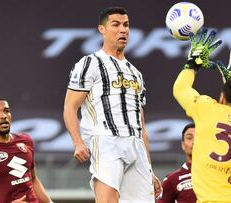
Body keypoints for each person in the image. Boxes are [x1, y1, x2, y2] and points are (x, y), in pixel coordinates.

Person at [63, 6, 162, 203]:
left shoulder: (136, 73)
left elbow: (141, 124)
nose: (122, 30)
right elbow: (69, 107)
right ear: (102, 29)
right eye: (115, 25)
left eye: (126, 25)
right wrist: (78, 142)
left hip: (136, 145)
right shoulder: (90, 63)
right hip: (107, 141)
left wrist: (149, 168)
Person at [172, 29, 231, 203]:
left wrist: (193, 63)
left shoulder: (207, 110)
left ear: (221, 98)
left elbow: (180, 89)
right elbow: (230, 115)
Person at [157, 123, 197, 203]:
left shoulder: (219, 174)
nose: (194, 142)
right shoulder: (171, 179)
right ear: (183, 144)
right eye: (189, 138)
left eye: (199, 138)